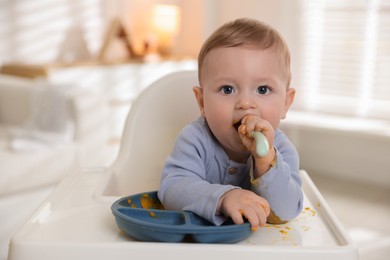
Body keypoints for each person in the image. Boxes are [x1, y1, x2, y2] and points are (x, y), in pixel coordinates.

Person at [158, 18, 303, 231]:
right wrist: (224, 198)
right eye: (227, 89)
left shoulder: (280, 149)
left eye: (263, 89)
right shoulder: (194, 140)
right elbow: (172, 190)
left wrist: (266, 161)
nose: (246, 104)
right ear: (202, 102)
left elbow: (288, 210)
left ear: (286, 103)